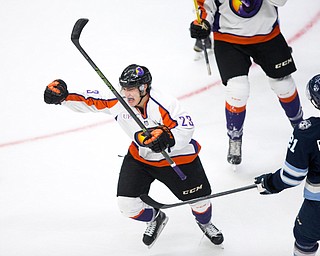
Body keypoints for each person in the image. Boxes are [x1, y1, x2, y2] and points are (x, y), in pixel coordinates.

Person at [43, 64, 224, 248]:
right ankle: (156, 217)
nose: (126, 92)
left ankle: (205, 223)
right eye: (124, 87)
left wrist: (169, 138)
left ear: (144, 88)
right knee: (127, 206)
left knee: (200, 203)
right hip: (141, 159)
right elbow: (90, 99)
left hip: (178, 160)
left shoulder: (164, 103)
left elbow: (185, 127)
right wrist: (63, 96)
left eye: (131, 89)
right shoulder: (119, 100)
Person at [189, 0, 304, 165]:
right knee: (237, 90)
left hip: (268, 36)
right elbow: (204, 5)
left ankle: (300, 126)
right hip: (229, 39)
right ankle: (235, 138)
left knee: (283, 84)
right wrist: (202, 23)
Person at [255, 74, 320, 256]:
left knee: (305, 238)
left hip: (318, 207)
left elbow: (291, 177)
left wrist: (269, 183)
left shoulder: (308, 133)